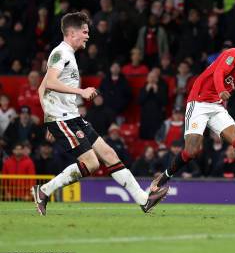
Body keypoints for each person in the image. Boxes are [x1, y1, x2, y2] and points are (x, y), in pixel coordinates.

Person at [31, 12, 168, 216]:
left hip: (70, 117)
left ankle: (143, 199)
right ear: (72, 33)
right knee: (92, 163)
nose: (87, 36)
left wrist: (47, 117)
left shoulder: (68, 55)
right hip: (63, 119)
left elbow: (42, 88)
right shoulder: (60, 53)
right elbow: (49, 82)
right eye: (84, 32)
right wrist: (80, 92)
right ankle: (44, 190)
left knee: (109, 154)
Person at [149, 31, 235, 194]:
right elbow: (219, 73)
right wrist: (220, 91)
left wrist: (221, 97)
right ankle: (160, 180)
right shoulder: (234, 54)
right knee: (191, 151)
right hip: (199, 103)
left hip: (216, 106)